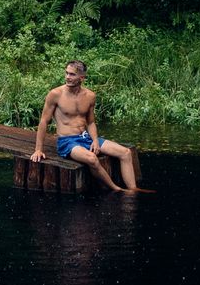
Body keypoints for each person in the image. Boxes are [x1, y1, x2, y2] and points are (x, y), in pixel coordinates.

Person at [30, 59, 139, 191]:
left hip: (85, 137)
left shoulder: (90, 96)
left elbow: (91, 122)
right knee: (92, 158)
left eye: (72, 74)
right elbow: (43, 121)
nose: (67, 77)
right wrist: (38, 149)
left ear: (82, 77)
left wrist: (95, 141)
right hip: (67, 142)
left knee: (126, 152)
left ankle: (133, 191)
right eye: (66, 73)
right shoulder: (55, 94)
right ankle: (117, 189)